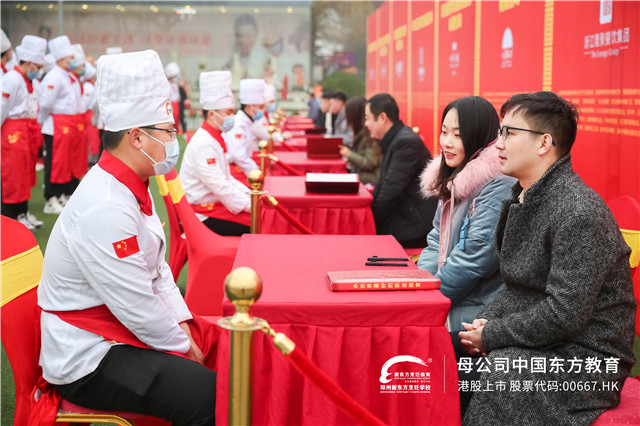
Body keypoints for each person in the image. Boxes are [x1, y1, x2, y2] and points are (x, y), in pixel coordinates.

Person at [37, 49, 218, 425]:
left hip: (118, 327)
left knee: (231, 350)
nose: (174, 141)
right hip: (88, 357)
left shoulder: (131, 183)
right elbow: (137, 304)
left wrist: (182, 321)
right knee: (210, 394)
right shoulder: (105, 207)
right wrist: (183, 345)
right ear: (136, 137)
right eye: (168, 132)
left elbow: (158, 271)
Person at [458, 92, 636, 425]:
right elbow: (521, 288)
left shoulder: (579, 213)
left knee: (502, 373)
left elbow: (565, 313)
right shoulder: (525, 196)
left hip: (588, 359)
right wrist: (485, 324)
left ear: (544, 143)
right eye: (500, 132)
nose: (498, 144)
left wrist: (494, 334)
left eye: (509, 133)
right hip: (550, 341)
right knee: (454, 353)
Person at [416, 96, 515, 331]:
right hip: (448, 296)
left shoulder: (499, 184)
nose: (447, 142)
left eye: (458, 135)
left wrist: (429, 301)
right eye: (444, 132)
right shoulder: (454, 176)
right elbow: (435, 240)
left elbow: (473, 261)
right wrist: (421, 287)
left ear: (479, 135)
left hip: (480, 310)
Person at [180, 71, 251, 236]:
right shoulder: (204, 144)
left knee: (258, 217)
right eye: (228, 112)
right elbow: (220, 185)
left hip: (211, 205)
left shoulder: (212, 138)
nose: (232, 117)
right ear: (211, 114)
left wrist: (250, 196)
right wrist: (249, 205)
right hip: (201, 215)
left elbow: (227, 179)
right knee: (256, 223)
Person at [364, 93, 437, 248]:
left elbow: (391, 192)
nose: (366, 124)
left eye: (367, 118)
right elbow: (383, 185)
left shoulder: (405, 142)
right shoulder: (395, 139)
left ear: (382, 117)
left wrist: (371, 223)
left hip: (414, 224)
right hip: (403, 215)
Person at [1, 35, 47, 230]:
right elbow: (2, 109)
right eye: (38, 66)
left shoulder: (28, 81)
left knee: (25, 174)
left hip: (26, 131)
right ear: (29, 63)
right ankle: (10, 217)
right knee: (13, 175)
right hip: (13, 132)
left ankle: (22, 213)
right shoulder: (11, 79)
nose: (39, 71)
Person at [38, 35, 84, 214]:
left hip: (66, 124)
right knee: (54, 162)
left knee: (65, 162)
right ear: (62, 58)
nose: (73, 60)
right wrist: (42, 121)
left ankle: (61, 194)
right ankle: (50, 197)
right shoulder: (54, 76)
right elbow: (46, 104)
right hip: (55, 125)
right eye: (70, 57)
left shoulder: (66, 76)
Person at [225, 78, 263, 179]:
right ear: (249, 107)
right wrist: (255, 170)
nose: (262, 111)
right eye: (260, 107)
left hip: (242, 166)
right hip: (233, 170)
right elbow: (237, 155)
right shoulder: (238, 124)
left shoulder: (247, 122)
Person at [338, 96, 381, 185]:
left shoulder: (369, 136)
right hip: (362, 175)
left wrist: (349, 154)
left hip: (369, 180)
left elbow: (370, 163)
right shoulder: (362, 133)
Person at [225, 14, 275, 89]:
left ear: (256, 35)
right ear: (235, 37)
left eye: (248, 35)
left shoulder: (266, 58)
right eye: (240, 35)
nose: (244, 40)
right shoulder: (232, 59)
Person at [164, 62, 182, 133]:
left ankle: (177, 131)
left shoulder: (174, 84)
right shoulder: (167, 84)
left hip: (176, 104)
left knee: (177, 118)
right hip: (171, 104)